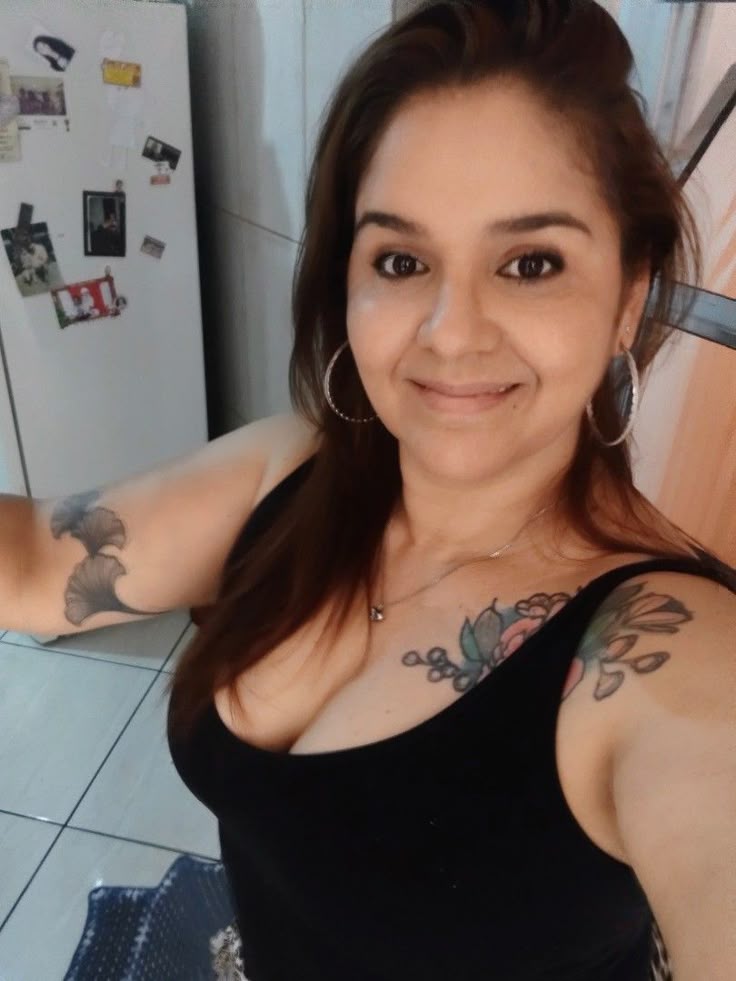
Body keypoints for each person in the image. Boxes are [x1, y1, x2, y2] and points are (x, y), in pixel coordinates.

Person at [6, 2, 734, 979]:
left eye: (530, 263)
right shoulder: (290, 471)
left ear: (627, 298)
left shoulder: (667, 652)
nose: (451, 330)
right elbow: (34, 564)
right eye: (401, 260)